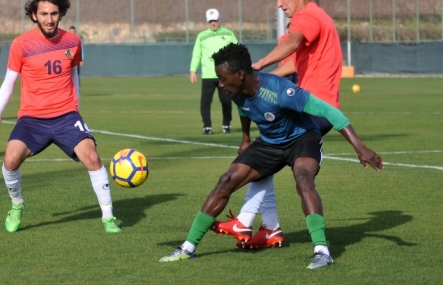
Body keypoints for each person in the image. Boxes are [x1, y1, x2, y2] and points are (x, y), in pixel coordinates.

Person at [159, 43, 383, 268]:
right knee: (226, 180)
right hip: (269, 143)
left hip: (303, 138)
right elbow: (243, 109)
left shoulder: (279, 90)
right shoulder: (235, 91)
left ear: (240, 75)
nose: (221, 84)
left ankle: (322, 251)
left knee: (303, 179)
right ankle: (187, 248)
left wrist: (361, 148)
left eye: (223, 78)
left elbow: (328, 111)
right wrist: (245, 139)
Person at [212, 0, 343, 249]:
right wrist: (261, 81)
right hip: (311, 103)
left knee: (266, 153)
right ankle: (270, 228)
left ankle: (247, 221)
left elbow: (293, 44)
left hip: (314, 107)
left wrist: (259, 65)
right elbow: (295, 63)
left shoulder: (307, 17)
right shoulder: (310, 20)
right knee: (265, 155)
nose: (279, 4)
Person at [0, 0, 121, 234]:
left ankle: (108, 217)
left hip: (66, 115)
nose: (49, 19)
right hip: (32, 119)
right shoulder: (21, 44)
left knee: (92, 158)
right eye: (44, 14)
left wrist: (76, 107)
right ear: (34, 15)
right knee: (10, 159)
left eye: (54, 13)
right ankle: (17, 205)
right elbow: (9, 81)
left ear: (61, 14)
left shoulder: (72, 41)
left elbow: (74, 75)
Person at [190, 8, 238, 135]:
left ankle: (226, 125)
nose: (213, 23)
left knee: (226, 101)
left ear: (219, 19)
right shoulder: (202, 36)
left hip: (224, 75)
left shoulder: (228, 34)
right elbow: (196, 54)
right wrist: (193, 70)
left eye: (215, 20)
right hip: (208, 75)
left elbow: (236, 51)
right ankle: (207, 127)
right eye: (210, 21)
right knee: (205, 102)